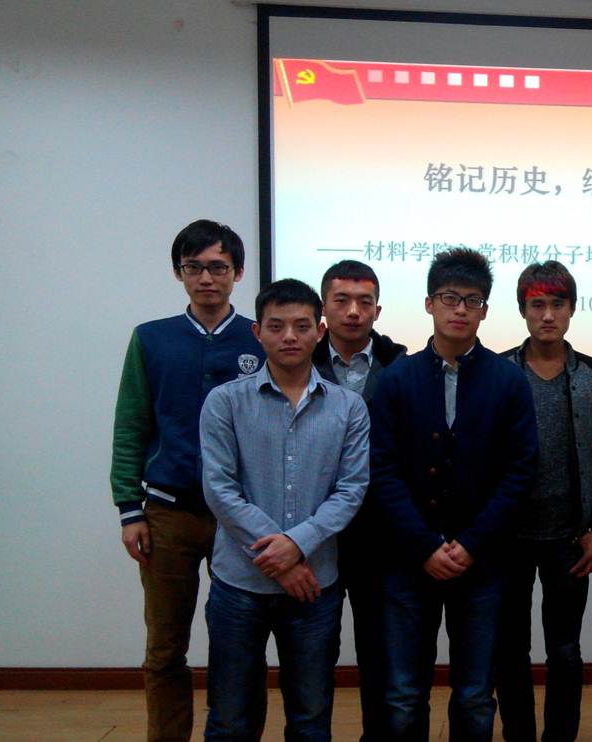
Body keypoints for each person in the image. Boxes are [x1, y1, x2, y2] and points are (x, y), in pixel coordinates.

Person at [368, 248, 538, 741]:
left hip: (481, 562)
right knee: (403, 695)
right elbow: (382, 470)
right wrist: (424, 545)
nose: (460, 309)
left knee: (474, 694)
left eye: (472, 300)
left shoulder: (508, 380)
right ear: (429, 304)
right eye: (449, 298)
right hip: (409, 560)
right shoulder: (397, 378)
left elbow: (520, 471)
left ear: (485, 310)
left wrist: (471, 544)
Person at [109, 219, 263, 742]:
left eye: (218, 267)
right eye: (193, 267)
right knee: (164, 648)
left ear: (238, 272)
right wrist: (129, 510)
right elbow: (131, 424)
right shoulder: (151, 339)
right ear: (179, 273)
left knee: (238, 643)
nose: (206, 278)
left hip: (238, 518)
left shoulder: (260, 337)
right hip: (167, 514)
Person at [200, 278, 370, 740]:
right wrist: (284, 560)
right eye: (276, 327)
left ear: (319, 330)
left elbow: (351, 489)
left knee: (311, 717)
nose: (289, 337)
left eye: (301, 326)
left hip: (315, 586)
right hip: (239, 584)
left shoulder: (349, 407)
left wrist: (296, 545)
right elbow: (220, 489)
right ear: (258, 332)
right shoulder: (224, 402)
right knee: (230, 717)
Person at [496, 261, 592, 742]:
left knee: (565, 650)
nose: (548, 315)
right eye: (537, 305)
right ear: (523, 310)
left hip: (571, 536)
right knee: (510, 650)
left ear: (572, 308)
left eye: (557, 304)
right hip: (509, 537)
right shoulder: (498, 372)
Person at [311, 259, 407, 741]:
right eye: (342, 300)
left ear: (377, 310)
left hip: (380, 535)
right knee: (314, 652)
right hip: (315, 533)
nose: (353, 311)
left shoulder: (401, 368)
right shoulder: (297, 363)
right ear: (323, 307)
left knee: (379, 652)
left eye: (364, 302)